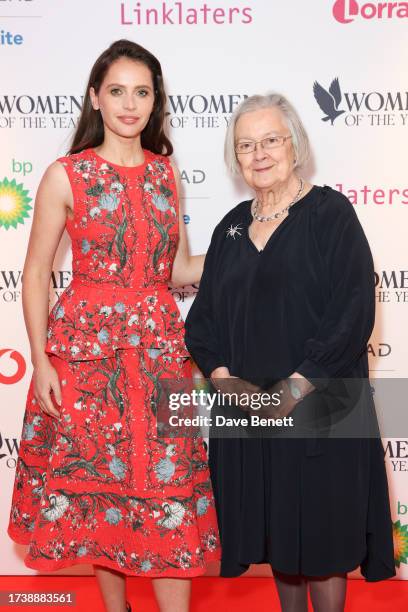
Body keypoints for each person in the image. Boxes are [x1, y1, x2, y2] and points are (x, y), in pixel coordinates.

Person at [8, 40, 220, 612]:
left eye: (142, 92)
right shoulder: (65, 175)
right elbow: (34, 274)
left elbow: (176, 270)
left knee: (167, 489)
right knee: (103, 490)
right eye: (118, 90)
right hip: (84, 358)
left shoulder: (162, 174)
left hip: (157, 354)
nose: (130, 103)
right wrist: (41, 356)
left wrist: (247, 249)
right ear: (96, 98)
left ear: (156, 102)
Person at [184, 93, 395, 612]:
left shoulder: (329, 212)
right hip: (252, 412)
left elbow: (351, 311)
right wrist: (223, 377)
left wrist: (298, 385)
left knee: (322, 545)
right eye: (246, 145)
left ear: (294, 145)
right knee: (279, 535)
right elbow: (203, 319)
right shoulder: (230, 227)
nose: (259, 153)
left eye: (271, 140)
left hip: (320, 408)